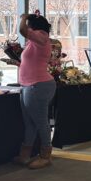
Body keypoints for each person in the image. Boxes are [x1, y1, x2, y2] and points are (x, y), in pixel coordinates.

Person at [12, 13, 57, 170]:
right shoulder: (35, 41)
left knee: (41, 121)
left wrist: (24, 18)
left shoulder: (41, 36)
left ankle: (46, 156)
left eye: (29, 24)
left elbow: (22, 30)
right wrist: (18, 64)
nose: (27, 27)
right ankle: (25, 154)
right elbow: (32, 62)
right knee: (30, 122)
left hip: (38, 85)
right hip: (29, 85)